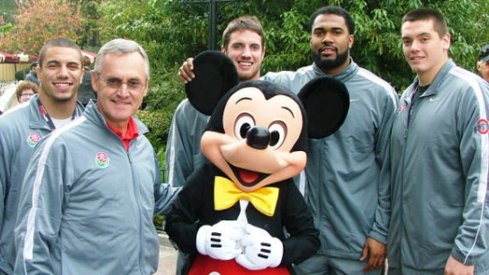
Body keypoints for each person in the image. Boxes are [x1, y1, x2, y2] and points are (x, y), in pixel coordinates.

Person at [179, 6, 398, 274]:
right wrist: (200, 72)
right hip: (301, 244)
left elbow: (390, 169)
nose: (327, 38)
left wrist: (380, 231)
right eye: (319, 32)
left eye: (336, 32)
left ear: (350, 39)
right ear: (311, 39)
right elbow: (244, 84)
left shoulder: (380, 94)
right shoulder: (288, 84)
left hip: (356, 240)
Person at [14, 38, 179, 274]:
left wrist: (210, 181)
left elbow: (153, 199)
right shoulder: (60, 147)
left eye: (133, 83)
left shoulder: (141, 146)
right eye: (114, 81)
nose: (123, 92)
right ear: (95, 81)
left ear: (145, 87)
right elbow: (32, 246)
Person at [387, 8, 489, 275]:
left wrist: (466, 252)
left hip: (452, 261)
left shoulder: (469, 92)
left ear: (446, 40)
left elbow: (484, 181)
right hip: (406, 258)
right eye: (407, 41)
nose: (414, 48)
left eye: (424, 39)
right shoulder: (406, 98)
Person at [0, 38, 85, 275]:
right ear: (38, 72)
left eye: (71, 66)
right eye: (53, 65)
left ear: (82, 74)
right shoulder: (7, 130)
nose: (63, 73)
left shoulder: (93, 132)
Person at [169, 15, 265, 188]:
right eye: (238, 46)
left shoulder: (277, 105)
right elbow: (177, 175)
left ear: (263, 53)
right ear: (224, 51)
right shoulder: (190, 110)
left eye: (254, 47)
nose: (246, 54)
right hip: (204, 213)